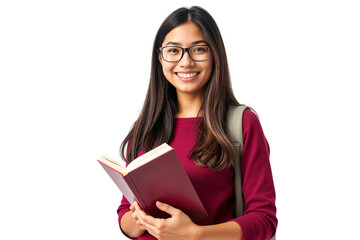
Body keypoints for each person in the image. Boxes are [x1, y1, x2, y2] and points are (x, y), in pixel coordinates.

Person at [117, 6, 277, 240]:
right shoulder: (146, 127)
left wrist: (195, 234)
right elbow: (125, 218)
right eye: (173, 51)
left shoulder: (241, 123)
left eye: (199, 49)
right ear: (160, 58)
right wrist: (138, 217)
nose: (185, 61)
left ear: (215, 55)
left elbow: (264, 220)